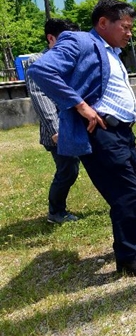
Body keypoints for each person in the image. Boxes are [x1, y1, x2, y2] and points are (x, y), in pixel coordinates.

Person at [27, 0, 136, 275]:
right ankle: (129, 257)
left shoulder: (110, 51)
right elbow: (40, 70)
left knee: (128, 189)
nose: (130, 33)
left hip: (121, 132)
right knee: (126, 192)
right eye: (126, 27)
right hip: (101, 133)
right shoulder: (80, 41)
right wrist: (80, 105)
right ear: (103, 23)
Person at [25, 18, 82, 224]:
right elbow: (40, 96)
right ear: (51, 38)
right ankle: (56, 211)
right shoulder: (37, 60)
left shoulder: (73, 59)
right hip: (58, 129)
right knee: (68, 170)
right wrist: (56, 130)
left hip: (81, 123)